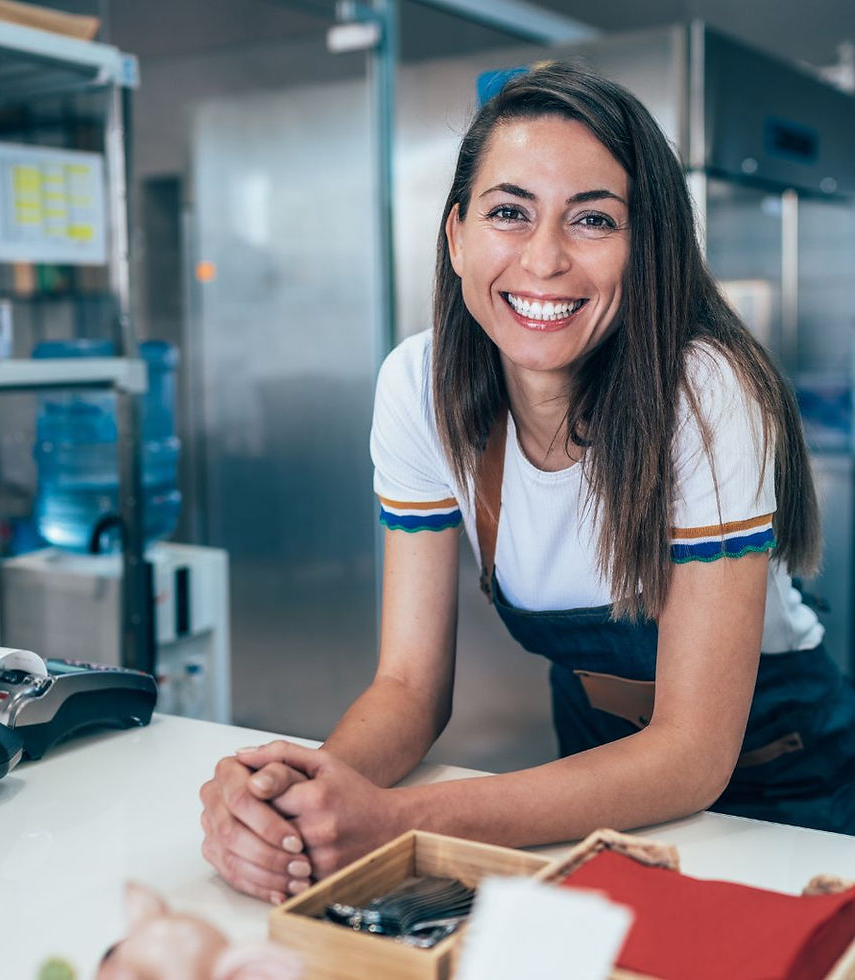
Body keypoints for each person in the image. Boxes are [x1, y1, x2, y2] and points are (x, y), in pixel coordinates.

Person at [200, 62, 855, 906]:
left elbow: (692, 752)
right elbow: (406, 687)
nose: (544, 259)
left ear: (644, 246)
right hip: (595, 775)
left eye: (592, 220)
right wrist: (303, 796)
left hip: (777, 780)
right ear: (457, 236)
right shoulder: (418, 388)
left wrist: (395, 820)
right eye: (510, 212)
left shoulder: (705, 393)